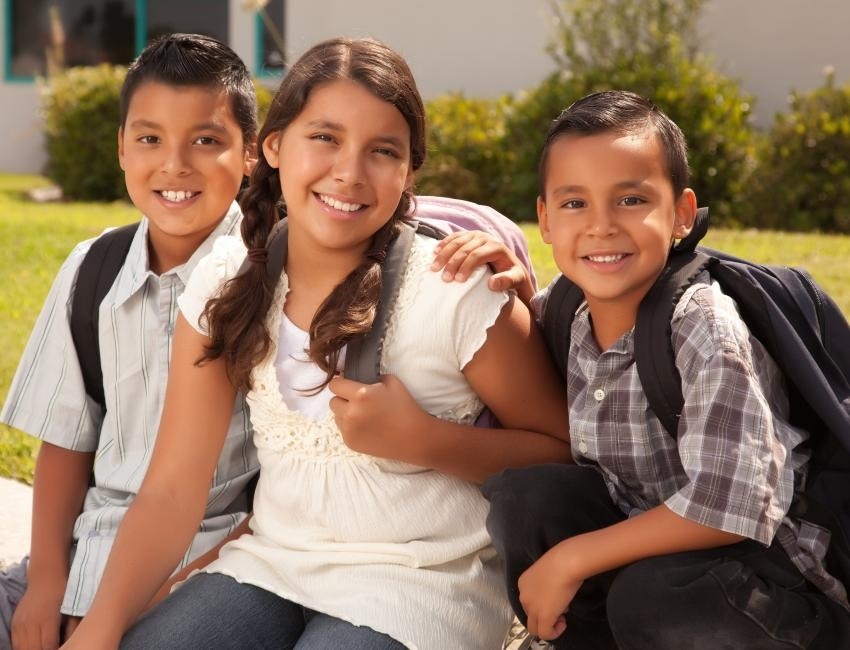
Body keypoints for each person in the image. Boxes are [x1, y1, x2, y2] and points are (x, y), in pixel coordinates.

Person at [60, 37, 571, 650]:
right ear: (273, 146)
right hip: (271, 566)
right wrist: (101, 628)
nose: (349, 173)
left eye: (382, 151)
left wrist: (425, 441)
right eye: (324, 138)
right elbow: (171, 491)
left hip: (421, 584)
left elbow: (562, 453)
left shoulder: (455, 292)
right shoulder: (227, 280)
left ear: (409, 169)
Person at [456, 90, 850, 648]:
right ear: (544, 219)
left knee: (655, 593)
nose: (601, 227)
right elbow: (534, 346)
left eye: (631, 200)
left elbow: (730, 504)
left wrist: (572, 558)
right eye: (574, 205)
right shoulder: (569, 307)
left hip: (766, 585)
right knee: (529, 497)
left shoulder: (703, 327)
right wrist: (511, 294)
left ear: (681, 215)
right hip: (652, 558)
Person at [0, 33, 260, 650]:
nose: (174, 165)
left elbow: (279, 499)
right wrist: (45, 586)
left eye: (206, 140)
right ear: (121, 148)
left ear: (252, 153)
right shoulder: (93, 269)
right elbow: (66, 442)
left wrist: (127, 610)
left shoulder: (269, 278)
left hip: (208, 573)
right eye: (149, 139)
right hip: (77, 562)